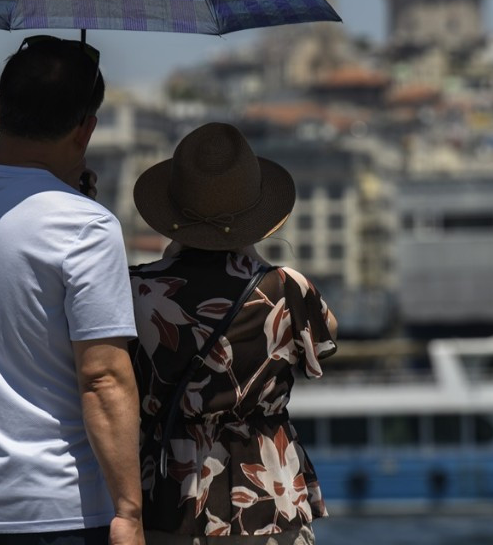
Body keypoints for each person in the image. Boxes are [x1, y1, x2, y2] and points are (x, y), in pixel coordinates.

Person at [0, 36, 145, 545]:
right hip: (57, 512)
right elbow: (102, 377)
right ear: (86, 130)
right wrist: (128, 511)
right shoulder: (86, 227)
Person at [129, 122, 338, 545]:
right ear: (254, 219)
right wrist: (252, 254)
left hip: (165, 492)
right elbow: (326, 338)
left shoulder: (134, 289)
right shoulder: (286, 288)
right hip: (267, 490)